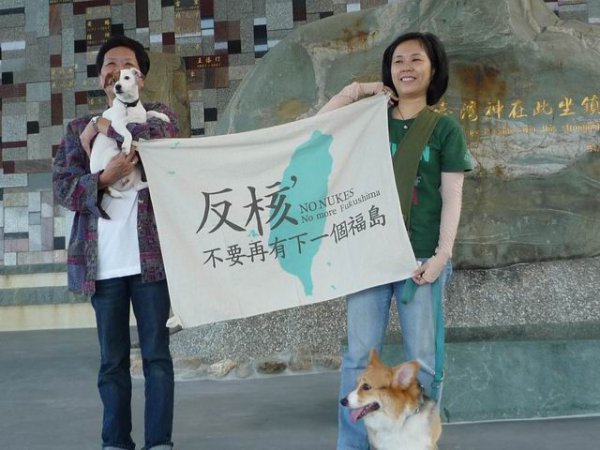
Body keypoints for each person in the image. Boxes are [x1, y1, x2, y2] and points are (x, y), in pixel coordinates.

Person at [320, 32, 472, 450]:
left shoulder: (445, 129)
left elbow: (453, 196)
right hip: (369, 255)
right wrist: (359, 89)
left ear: (433, 70)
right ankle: (352, 445)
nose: (406, 67)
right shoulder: (370, 120)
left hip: (420, 259)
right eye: (398, 60)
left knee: (422, 361)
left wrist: (442, 255)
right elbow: (317, 127)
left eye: (416, 59)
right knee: (357, 358)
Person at [53, 35, 178, 450]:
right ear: (101, 76)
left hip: (151, 262)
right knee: (112, 362)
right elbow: (64, 187)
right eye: (110, 64)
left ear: (140, 76)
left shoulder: (160, 117)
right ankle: (115, 442)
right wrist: (103, 179)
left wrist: (107, 126)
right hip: (102, 264)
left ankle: (159, 442)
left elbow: (161, 151)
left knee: (157, 357)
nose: (117, 70)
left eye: (126, 65)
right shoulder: (77, 129)